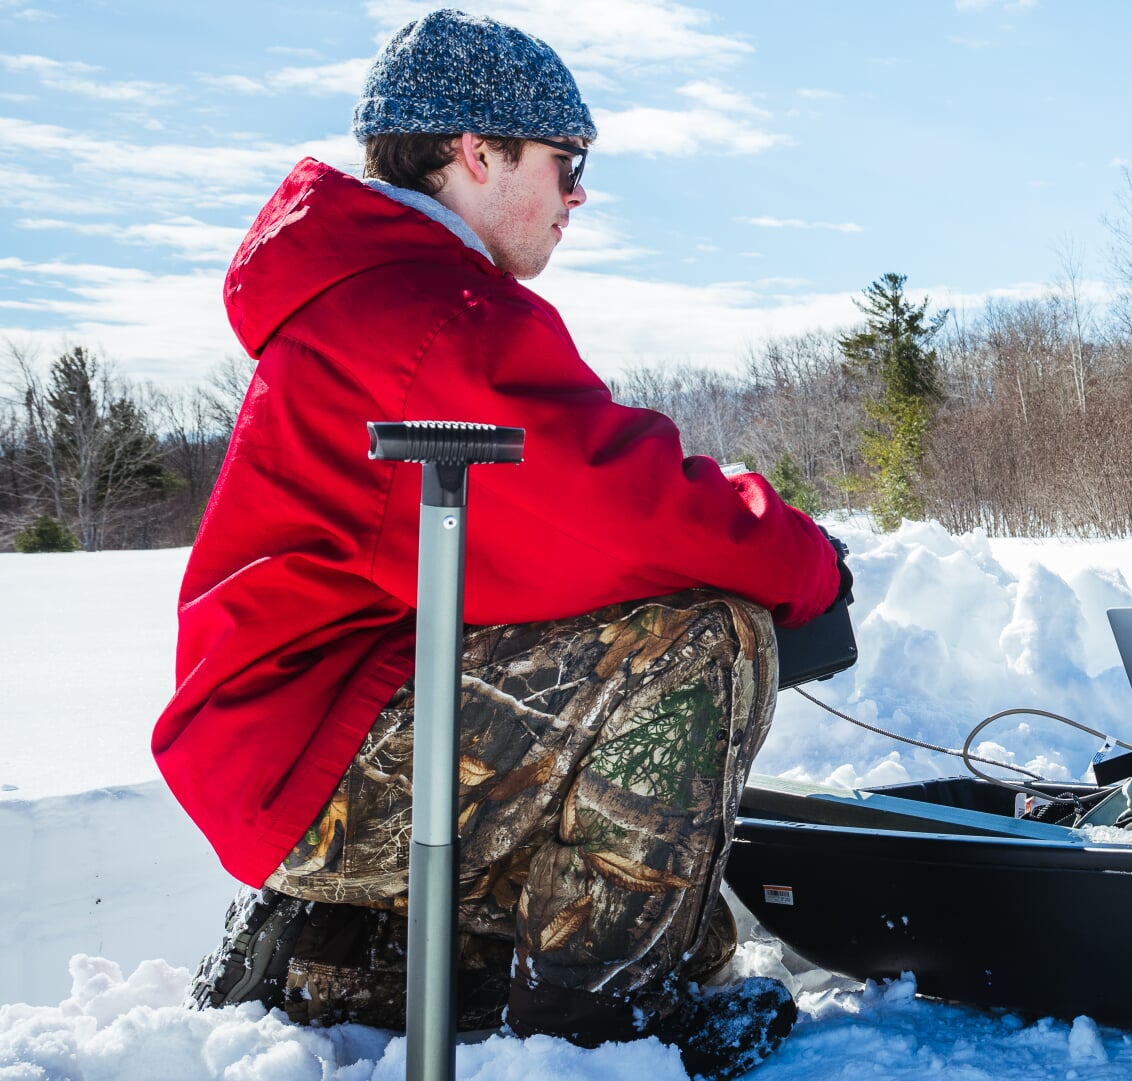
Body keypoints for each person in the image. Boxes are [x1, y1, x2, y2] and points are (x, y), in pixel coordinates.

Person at [159, 11, 838, 1077]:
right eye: (564, 165)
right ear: (475, 152)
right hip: (323, 751)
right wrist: (804, 560)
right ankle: (597, 1034)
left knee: (689, 920)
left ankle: (334, 959)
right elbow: (624, 505)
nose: (578, 197)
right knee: (705, 639)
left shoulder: (371, 294)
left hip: (297, 735)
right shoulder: (435, 315)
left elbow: (539, 550)